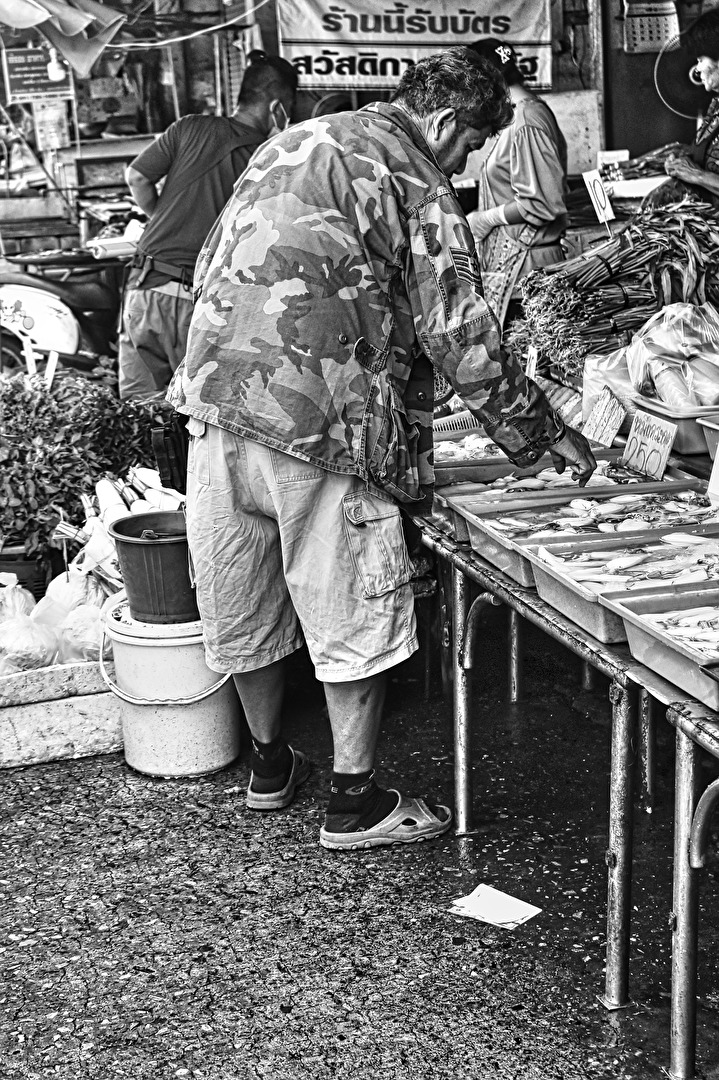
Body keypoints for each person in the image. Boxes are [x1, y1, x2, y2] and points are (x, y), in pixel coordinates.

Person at [167, 47, 596, 852]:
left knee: (245, 592)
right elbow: (460, 331)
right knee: (347, 604)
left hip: (217, 401)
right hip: (317, 419)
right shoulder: (413, 172)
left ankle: (268, 766)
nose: (468, 162)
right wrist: (541, 438)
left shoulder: (292, 142)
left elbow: (212, 262)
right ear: (442, 122)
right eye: (471, 145)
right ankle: (355, 804)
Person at [118, 51, 298, 400]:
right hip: (200, 306)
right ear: (278, 106)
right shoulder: (270, 159)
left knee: (139, 415)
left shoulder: (188, 127)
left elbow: (137, 177)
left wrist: (163, 220)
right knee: (192, 417)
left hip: (144, 290)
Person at [464, 39, 568, 331]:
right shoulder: (516, 117)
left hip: (529, 266)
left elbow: (543, 202)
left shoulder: (527, 120)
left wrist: (487, 218)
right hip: (516, 267)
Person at [650, 10, 719, 208]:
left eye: (700, 60)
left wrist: (696, 175)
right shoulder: (716, 106)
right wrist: (681, 163)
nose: (697, 69)